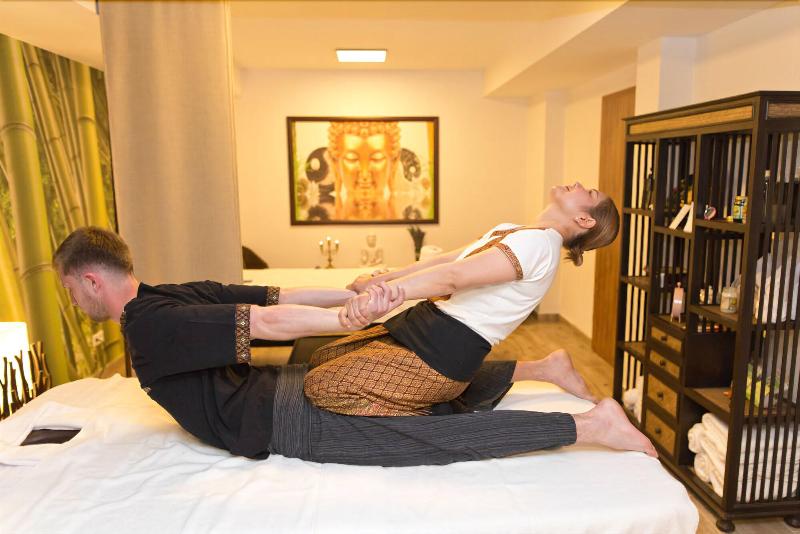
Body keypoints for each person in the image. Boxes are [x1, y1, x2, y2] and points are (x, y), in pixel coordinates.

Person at [53, 226, 656, 466]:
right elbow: (278, 297)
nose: (73, 298)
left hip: (274, 419)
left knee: (422, 437)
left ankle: (590, 427)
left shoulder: (147, 325)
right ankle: (537, 366)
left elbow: (269, 318)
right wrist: (355, 298)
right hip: (278, 391)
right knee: (405, 383)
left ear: (91, 280)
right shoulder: (165, 295)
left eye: (70, 288)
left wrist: (353, 308)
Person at [303, 182, 627, 420]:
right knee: (323, 357)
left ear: (585, 220)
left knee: (322, 386)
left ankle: (443, 412)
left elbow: (453, 277)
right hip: (421, 325)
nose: (579, 184)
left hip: (442, 353)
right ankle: (542, 369)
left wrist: (385, 295)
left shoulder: (540, 245)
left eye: (590, 193)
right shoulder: (515, 230)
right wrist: (383, 280)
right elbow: (446, 260)